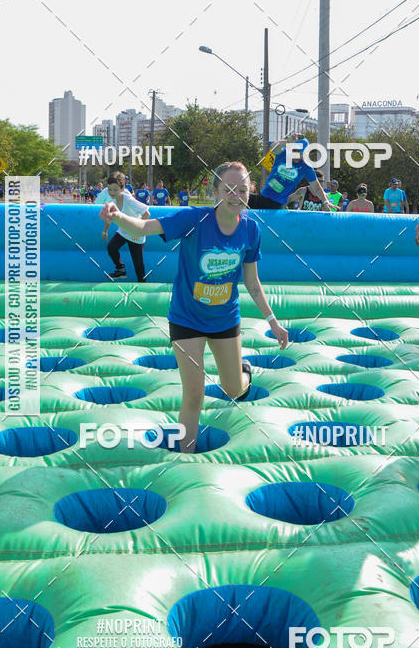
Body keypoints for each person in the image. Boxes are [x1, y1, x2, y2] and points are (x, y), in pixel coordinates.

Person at [100, 161, 289, 452]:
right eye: (228, 189)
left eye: (242, 190)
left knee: (233, 389)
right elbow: (145, 226)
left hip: (225, 320)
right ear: (215, 192)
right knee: (194, 395)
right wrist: (118, 216)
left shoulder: (251, 229)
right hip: (186, 319)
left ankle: (244, 372)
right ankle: (185, 456)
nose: (236, 196)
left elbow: (252, 282)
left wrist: (273, 321)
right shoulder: (194, 219)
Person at [248, 138, 331, 211]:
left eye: (298, 152)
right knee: (242, 199)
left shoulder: (306, 167)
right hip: (263, 195)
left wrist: (325, 201)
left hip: (277, 204)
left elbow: (316, 188)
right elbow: (272, 148)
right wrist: (288, 141)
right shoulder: (283, 154)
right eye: (293, 150)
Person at [96, 172, 150, 281]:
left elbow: (146, 214)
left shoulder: (128, 200)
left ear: (122, 188)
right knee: (111, 247)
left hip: (136, 233)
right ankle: (121, 270)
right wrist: (105, 231)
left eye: (115, 190)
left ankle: (142, 284)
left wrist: (138, 231)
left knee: (138, 264)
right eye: (109, 189)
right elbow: (110, 217)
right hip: (124, 231)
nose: (112, 192)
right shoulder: (112, 201)